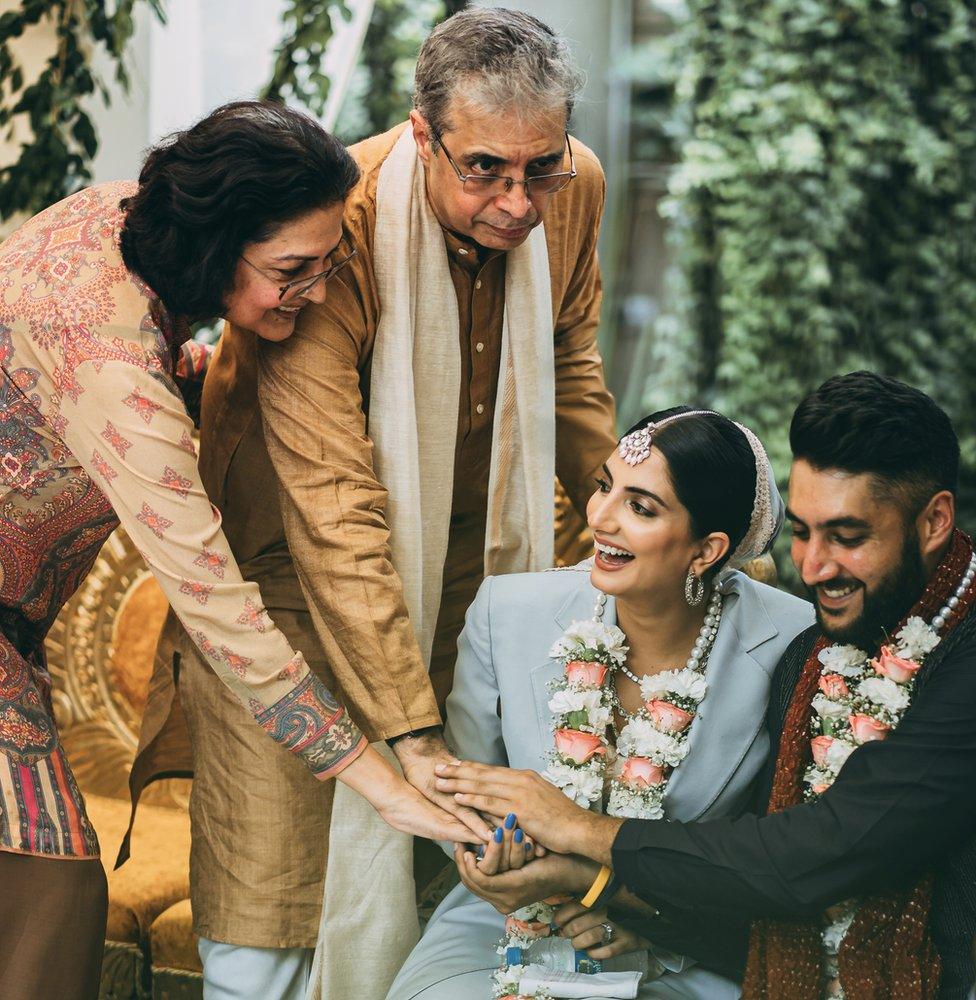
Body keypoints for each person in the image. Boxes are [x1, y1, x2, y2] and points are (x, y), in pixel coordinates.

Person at [132, 8, 618, 999]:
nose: (518, 203)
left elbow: (571, 371)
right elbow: (330, 502)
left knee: (451, 899)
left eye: (541, 165)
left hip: (474, 586)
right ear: (423, 133)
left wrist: (634, 523)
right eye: (484, 167)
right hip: (292, 605)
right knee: (271, 916)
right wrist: (408, 732)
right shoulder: (335, 228)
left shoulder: (577, 190)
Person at [0, 100, 470, 1000]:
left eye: (330, 264)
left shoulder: (115, 216)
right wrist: (386, 784)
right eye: (293, 271)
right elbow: (221, 610)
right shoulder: (112, 372)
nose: (320, 293)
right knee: (50, 893)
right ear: (216, 246)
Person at [437, 373, 976, 1000]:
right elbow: (756, 893)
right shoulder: (823, 649)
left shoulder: (947, 657)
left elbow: (816, 852)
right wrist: (609, 895)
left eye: (848, 537)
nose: (812, 566)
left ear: (935, 519)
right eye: (803, 531)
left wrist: (578, 834)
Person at [388, 407, 814, 999]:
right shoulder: (507, 612)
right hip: (505, 922)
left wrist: (638, 909)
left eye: (641, 507)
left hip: (679, 937)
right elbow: (462, 782)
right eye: (604, 486)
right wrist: (492, 854)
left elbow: (776, 851)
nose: (601, 519)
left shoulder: (791, 642)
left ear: (707, 548)